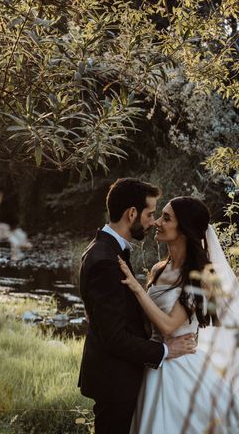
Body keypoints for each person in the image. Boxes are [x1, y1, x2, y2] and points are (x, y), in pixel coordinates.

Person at [78, 178, 196, 433]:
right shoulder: (104, 259)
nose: (153, 221)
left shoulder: (109, 251)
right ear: (132, 213)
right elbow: (114, 337)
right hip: (115, 381)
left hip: (126, 377)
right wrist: (165, 351)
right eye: (150, 213)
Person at [119, 196, 239, 433]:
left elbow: (168, 326)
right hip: (152, 362)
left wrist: (134, 286)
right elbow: (148, 321)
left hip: (180, 370)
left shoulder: (200, 277)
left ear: (184, 229)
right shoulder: (158, 268)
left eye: (166, 218)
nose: (157, 223)